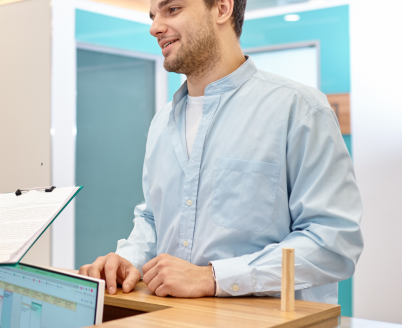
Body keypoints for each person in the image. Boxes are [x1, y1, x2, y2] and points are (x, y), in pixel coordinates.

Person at [78, 0, 363, 304]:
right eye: (153, 16)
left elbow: (334, 242)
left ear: (222, 9)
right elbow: (152, 217)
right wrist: (128, 259)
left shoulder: (300, 109)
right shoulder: (162, 122)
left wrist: (214, 277)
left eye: (172, 9)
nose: (154, 27)